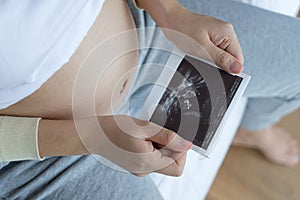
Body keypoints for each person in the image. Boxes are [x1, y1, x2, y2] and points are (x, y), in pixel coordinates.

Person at [0, 0, 299, 199]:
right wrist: (89, 137)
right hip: (41, 149)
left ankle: (252, 126)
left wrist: (169, 10)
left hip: (150, 27)